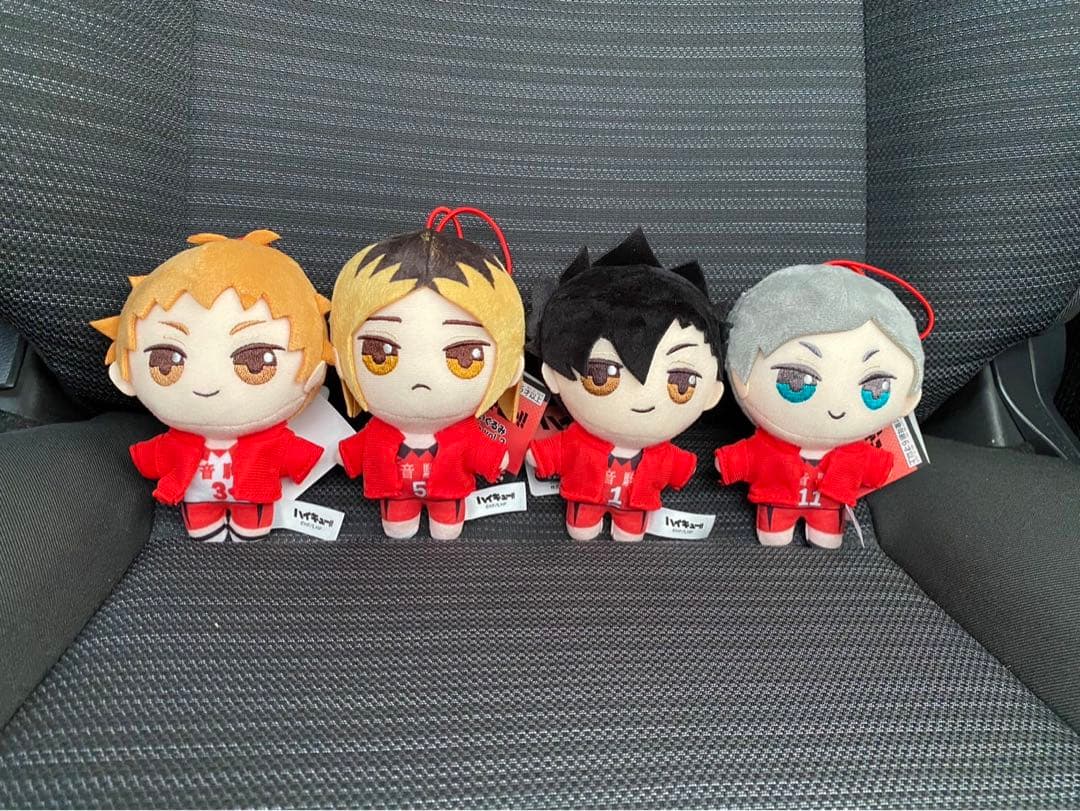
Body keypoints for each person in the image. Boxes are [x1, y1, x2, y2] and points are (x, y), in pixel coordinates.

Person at [91, 230, 331, 542]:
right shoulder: (177, 441)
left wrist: (336, 455)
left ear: (316, 370)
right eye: (166, 362)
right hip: (196, 500)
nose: (207, 383)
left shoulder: (271, 442)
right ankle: (207, 524)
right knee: (202, 525)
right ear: (125, 375)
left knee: (252, 525)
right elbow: (152, 457)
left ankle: (247, 527)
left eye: (255, 362)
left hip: (254, 500)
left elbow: (299, 456)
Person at [331, 211, 525, 540]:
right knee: (398, 524)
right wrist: (345, 455)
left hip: (448, 496)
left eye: (465, 358)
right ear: (340, 358)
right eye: (379, 354)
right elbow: (356, 448)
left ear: (510, 368)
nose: (421, 378)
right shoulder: (379, 432)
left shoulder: (463, 434)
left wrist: (497, 459)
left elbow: (482, 452)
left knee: (446, 526)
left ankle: (442, 519)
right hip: (394, 495)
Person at [528, 228, 724, 541]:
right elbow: (554, 452)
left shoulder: (661, 455)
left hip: (637, 508)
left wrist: (727, 464)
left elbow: (680, 467)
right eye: (602, 376)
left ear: (713, 393)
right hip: (584, 501)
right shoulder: (579, 442)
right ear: (553, 375)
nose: (643, 398)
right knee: (582, 529)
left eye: (680, 382)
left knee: (629, 533)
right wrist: (537, 457)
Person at [716, 262, 925, 548]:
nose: (836, 408)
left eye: (875, 389)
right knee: (774, 536)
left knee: (826, 538)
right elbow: (745, 458)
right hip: (776, 505)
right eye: (796, 382)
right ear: (740, 375)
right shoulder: (767, 447)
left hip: (829, 509)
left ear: (908, 399)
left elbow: (878, 468)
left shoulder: (855, 453)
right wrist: (728, 463)